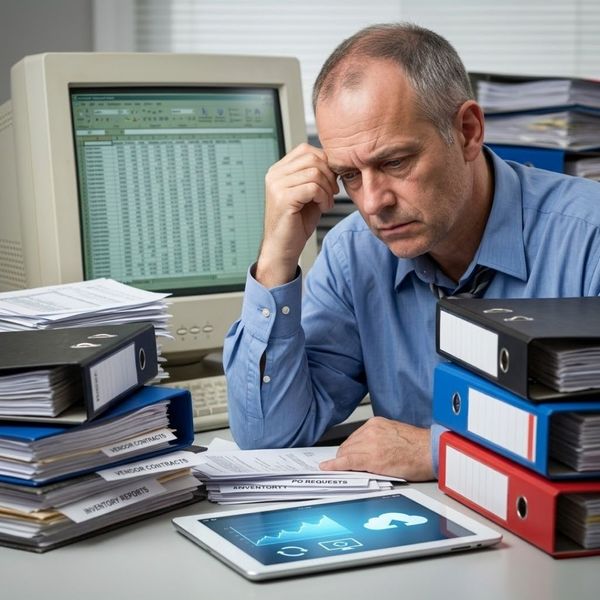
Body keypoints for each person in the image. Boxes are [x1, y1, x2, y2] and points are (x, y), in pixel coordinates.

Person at [223, 22, 600, 481]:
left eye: (395, 162)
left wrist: (440, 452)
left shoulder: (588, 241)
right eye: (350, 176)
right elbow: (269, 436)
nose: (372, 202)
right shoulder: (354, 254)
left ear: (467, 131)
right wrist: (275, 263)